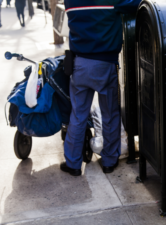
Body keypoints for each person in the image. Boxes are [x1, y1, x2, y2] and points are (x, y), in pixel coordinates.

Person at [61, 0, 141, 176]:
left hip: (79, 64)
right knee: (110, 114)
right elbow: (138, 4)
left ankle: (73, 163)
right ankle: (109, 161)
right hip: (105, 64)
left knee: (78, 115)